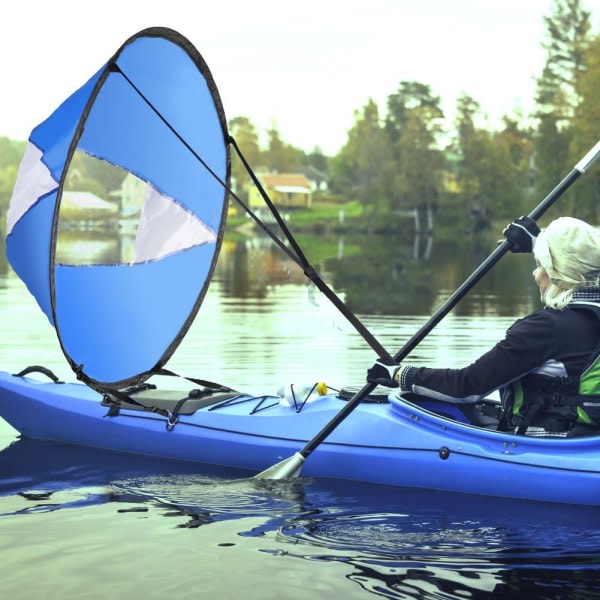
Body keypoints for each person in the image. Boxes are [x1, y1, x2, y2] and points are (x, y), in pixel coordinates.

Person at [367, 216, 600, 437]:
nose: (535, 273)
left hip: (549, 444)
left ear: (555, 272)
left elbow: (467, 387)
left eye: (541, 265)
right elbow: (579, 264)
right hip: (587, 440)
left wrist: (397, 374)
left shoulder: (545, 328)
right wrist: (535, 241)